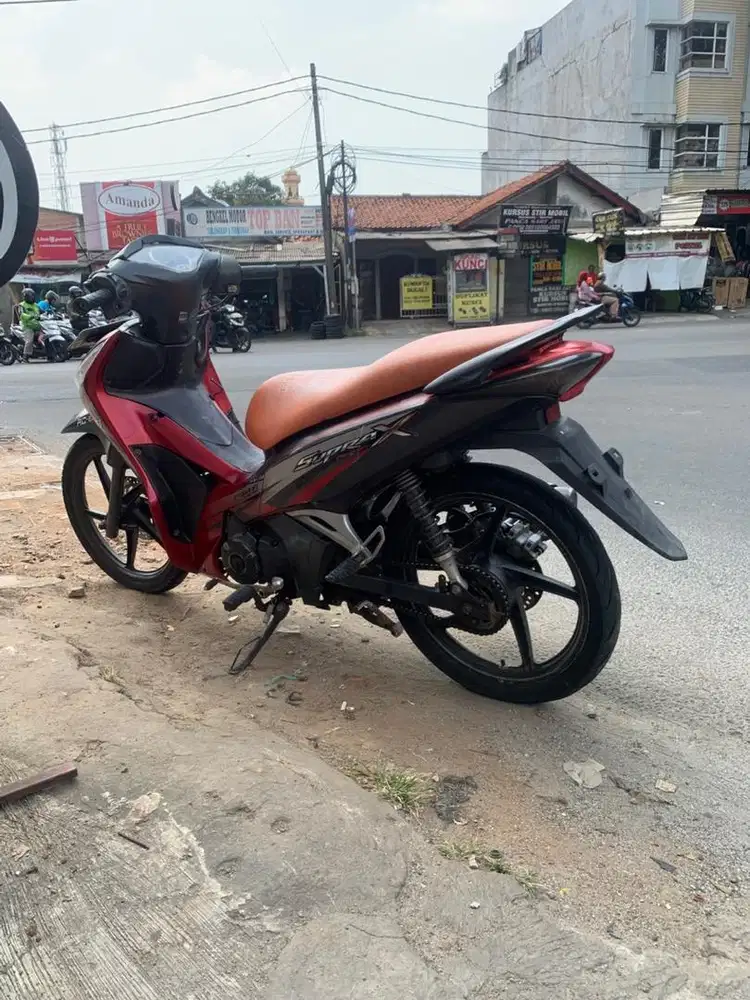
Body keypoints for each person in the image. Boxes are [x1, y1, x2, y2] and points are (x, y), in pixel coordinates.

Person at [18, 288, 41, 358]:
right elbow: (21, 314)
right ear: (26, 297)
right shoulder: (22, 305)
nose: (32, 297)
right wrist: (30, 316)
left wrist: (48, 312)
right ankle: (26, 355)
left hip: (38, 325)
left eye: (33, 296)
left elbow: (42, 311)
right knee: (29, 340)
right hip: (28, 326)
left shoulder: (36, 305)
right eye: (31, 296)